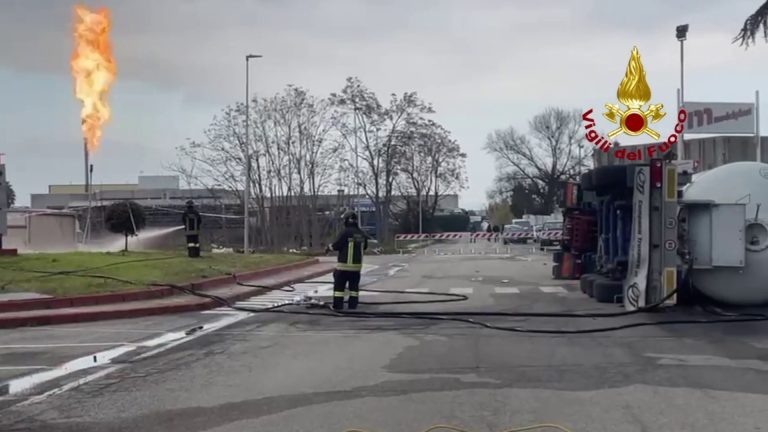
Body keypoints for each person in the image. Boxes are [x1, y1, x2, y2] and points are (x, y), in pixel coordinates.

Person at [325, 211, 368, 310]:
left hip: (343, 267)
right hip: (357, 268)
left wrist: (328, 248)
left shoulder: (345, 232)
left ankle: (338, 306)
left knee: (339, 288)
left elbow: (336, 245)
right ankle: (352, 306)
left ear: (347, 221)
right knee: (354, 289)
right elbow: (364, 247)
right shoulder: (361, 234)